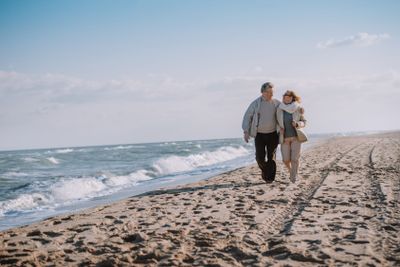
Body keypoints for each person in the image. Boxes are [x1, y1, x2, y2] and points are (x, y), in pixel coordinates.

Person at [242, 82, 280, 183]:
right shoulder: (256, 103)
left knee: (271, 157)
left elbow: (286, 112)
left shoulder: (277, 103)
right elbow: (247, 117)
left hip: (273, 134)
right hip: (259, 134)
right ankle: (266, 172)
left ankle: (269, 179)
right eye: (268, 92)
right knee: (259, 158)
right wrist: (246, 131)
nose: (270, 94)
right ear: (262, 92)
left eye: (272, 92)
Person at [276, 90, 307, 183]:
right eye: (285, 96)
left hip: (296, 138)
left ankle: (294, 177)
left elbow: (304, 122)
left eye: (289, 96)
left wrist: (297, 124)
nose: (286, 98)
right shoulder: (279, 109)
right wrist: (279, 129)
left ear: (292, 98)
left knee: (294, 159)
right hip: (284, 138)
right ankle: (291, 172)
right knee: (285, 160)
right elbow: (276, 123)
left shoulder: (298, 108)